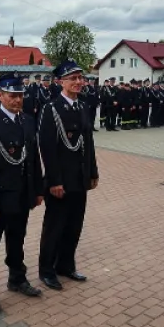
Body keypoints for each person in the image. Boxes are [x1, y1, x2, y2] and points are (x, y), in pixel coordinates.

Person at [0, 72, 44, 314]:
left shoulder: (27, 121)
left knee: (17, 239)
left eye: (20, 95)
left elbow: (33, 159)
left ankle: (17, 278)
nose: (17, 100)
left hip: (22, 195)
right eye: (12, 96)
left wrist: (37, 190)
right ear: (0, 96)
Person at [37, 60, 99, 291]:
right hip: (60, 180)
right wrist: (54, 181)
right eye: (72, 78)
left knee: (74, 225)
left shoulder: (82, 107)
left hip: (79, 178)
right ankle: (46, 270)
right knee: (55, 227)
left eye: (80, 78)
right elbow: (47, 148)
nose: (78, 82)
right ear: (60, 82)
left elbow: (89, 143)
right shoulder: (51, 109)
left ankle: (66, 265)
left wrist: (92, 172)